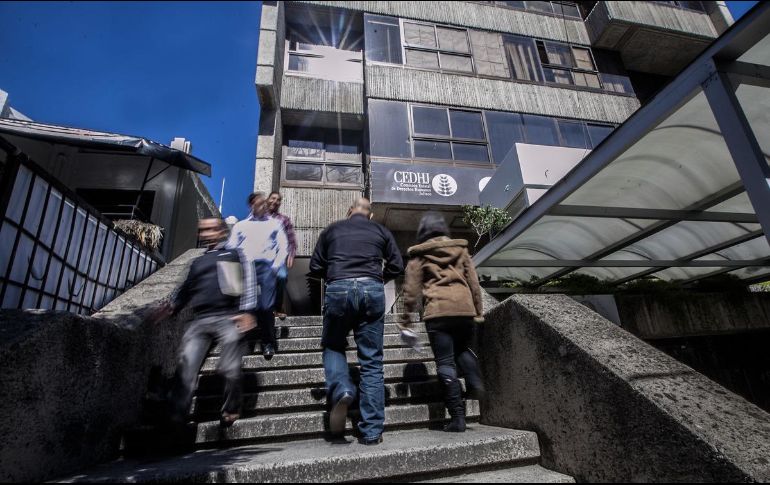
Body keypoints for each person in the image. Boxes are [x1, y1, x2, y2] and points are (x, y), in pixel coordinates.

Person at [310, 197, 403, 445]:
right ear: (370, 215)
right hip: (372, 289)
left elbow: (315, 265)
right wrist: (378, 279)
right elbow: (397, 264)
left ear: (349, 211)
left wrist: (334, 275)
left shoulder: (332, 229)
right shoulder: (381, 230)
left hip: (338, 287)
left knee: (333, 345)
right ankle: (371, 431)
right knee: (372, 361)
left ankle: (342, 387)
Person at [153, 218, 257, 427]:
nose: (206, 234)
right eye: (203, 230)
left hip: (228, 316)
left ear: (221, 232)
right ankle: (176, 415)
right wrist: (171, 306)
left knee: (229, 367)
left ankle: (231, 407)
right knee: (186, 366)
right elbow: (185, 290)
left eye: (211, 229)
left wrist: (246, 310)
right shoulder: (198, 262)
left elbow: (247, 283)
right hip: (200, 319)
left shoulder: (233, 254)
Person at [399, 212, 485, 433]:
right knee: (463, 350)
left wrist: (406, 320)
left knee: (446, 363)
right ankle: (474, 381)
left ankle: (458, 418)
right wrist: (478, 311)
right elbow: (474, 282)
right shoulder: (461, 250)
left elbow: (410, 291)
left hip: (438, 312)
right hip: (464, 310)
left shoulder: (419, 255)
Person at [229, 192, 288, 360]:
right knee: (246, 306)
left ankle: (268, 342)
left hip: (267, 267)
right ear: (251, 205)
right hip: (246, 267)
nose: (264, 205)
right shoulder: (240, 226)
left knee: (266, 306)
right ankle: (243, 342)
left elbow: (283, 246)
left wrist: (275, 267)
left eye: (264, 203)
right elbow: (232, 247)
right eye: (260, 203)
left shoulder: (275, 224)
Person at [265, 191, 297, 320]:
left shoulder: (284, 219)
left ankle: (277, 307)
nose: (275, 201)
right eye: (273, 198)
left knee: (282, 277)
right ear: (267, 200)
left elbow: (291, 238)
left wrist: (292, 253)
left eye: (278, 200)